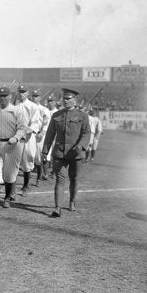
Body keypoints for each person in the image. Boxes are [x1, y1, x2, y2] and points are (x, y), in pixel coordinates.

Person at [42, 87, 92, 217]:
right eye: (64, 98)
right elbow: (49, 135)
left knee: (74, 178)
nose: (65, 100)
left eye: (68, 98)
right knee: (60, 180)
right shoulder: (56, 115)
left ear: (75, 100)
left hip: (76, 154)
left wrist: (80, 146)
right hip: (59, 153)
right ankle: (57, 207)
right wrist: (45, 151)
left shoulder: (83, 116)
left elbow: (87, 133)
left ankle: (72, 201)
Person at [0, 86, 30, 213]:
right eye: (0, 96)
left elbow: (22, 127)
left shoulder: (16, 110)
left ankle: (7, 197)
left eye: (4, 96)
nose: (2, 98)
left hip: (11, 145)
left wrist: (16, 137)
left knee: (9, 174)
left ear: (9, 97)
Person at [13, 86, 44, 196]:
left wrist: (28, 131)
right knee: (13, 161)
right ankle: (11, 188)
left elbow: (36, 123)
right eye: (20, 91)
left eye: (23, 92)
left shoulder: (33, 106)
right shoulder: (14, 105)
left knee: (27, 161)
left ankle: (25, 186)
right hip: (15, 136)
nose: (21, 94)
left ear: (27, 93)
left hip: (27, 137)